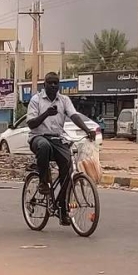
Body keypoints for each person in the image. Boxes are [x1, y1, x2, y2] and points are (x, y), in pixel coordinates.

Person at [27, 72, 97, 225]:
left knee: (68, 169)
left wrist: (87, 130)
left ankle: (61, 207)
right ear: (44, 84)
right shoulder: (36, 100)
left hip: (58, 139)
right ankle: (43, 182)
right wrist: (46, 114)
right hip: (38, 138)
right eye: (50, 83)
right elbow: (31, 124)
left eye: (56, 83)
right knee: (44, 146)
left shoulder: (64, 100)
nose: (53, 86)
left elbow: (74, 115)